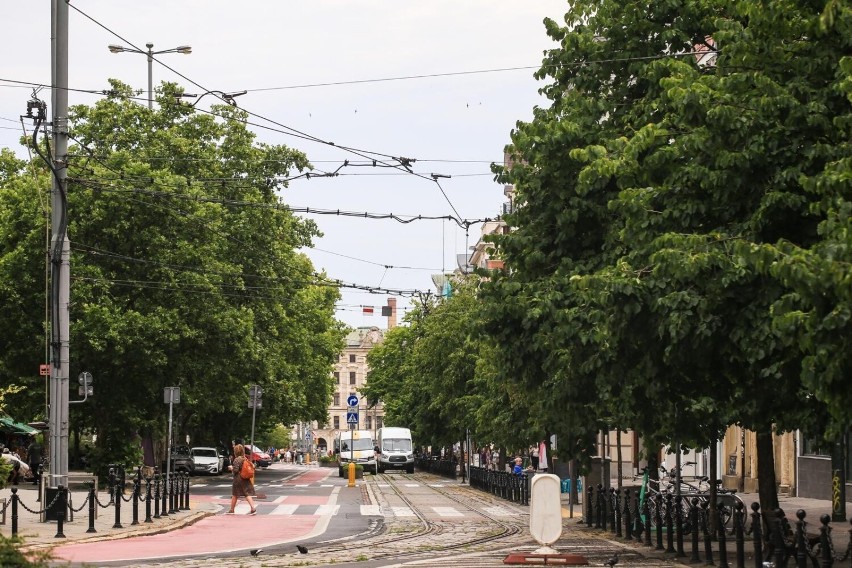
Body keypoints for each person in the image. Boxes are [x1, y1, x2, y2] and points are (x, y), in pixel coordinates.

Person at [226, 444, 257, 515]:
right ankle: (253, 508)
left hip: (238, 479)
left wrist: (231, 468)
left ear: (235, 452)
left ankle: (232, 510)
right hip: (245, 478)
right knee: (247, 493)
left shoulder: (237, 459)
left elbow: (236, 470)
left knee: (235, 494)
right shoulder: (245, 458)